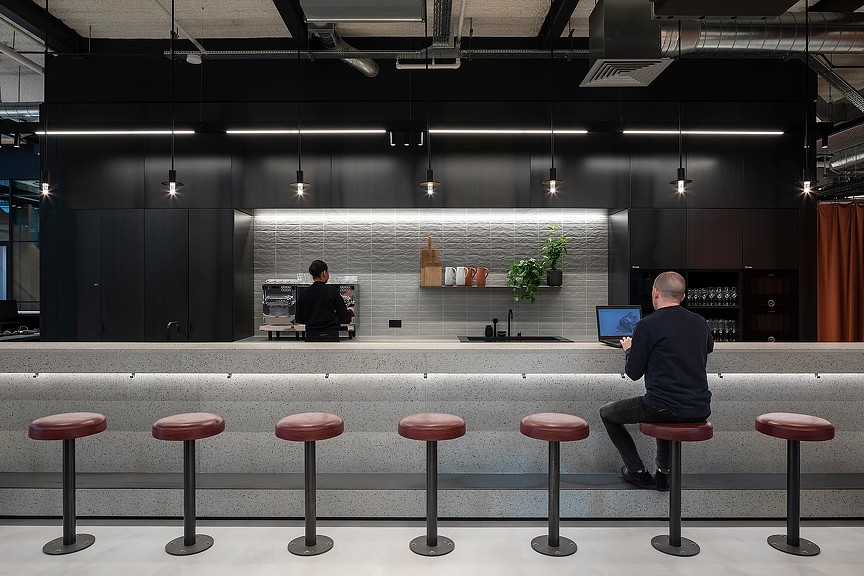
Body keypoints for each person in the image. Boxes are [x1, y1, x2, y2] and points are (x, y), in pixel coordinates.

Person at [599, 271, 713, 491]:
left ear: (655, 292)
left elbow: (633, 373)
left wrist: (630, 349)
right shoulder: (699, 322)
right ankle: (663, 474)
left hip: (663, 405)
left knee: (608, 413)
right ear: (682, 296)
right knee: (664, 408)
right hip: (700, 408)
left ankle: (637, 471)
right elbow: (708, 347)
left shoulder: (647, 325)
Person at [295, 260, 355, 342]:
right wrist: (351, 311)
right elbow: (344, 318)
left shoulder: (304, 293)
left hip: (311, 336)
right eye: (328, 272)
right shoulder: (332, 291)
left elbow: (299, 318)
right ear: (324, 273)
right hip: (330, 336)